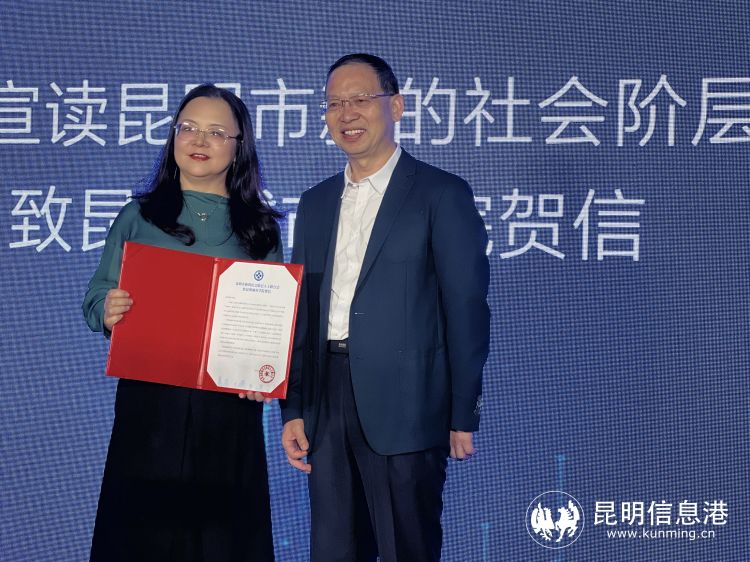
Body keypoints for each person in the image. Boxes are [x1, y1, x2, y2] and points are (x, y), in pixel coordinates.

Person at [280, 54, 490, 561]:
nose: (346, 113)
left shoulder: (441, 194)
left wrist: (462, 412)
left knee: (405, 548)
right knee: (334, 550)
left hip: (408, 406)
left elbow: (466, 309)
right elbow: (303, 315)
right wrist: (294, 408)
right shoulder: (315, 203)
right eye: (334, 103)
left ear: (395, 106)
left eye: (360, 99)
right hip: (326, 403)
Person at [83, 84, 281, 562]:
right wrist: (108, 309)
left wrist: (263, 369)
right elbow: (96, 296)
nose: (199, 140)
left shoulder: (259, 227)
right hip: (149, 405)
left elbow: (273, 322)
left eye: (216, 132)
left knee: (223, 540)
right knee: (140, 539)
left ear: (239, 147)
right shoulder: (138, 215)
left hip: (227, 411)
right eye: (188, 127)